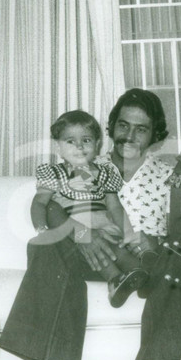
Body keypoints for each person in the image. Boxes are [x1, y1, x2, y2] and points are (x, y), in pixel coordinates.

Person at [0, 89, 181, 360]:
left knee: (177, 259)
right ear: (111, 128)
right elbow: (51, 208)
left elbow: (176, 229)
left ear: (155, 135)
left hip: (139, 258)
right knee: (45, 247)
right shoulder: (84, 160)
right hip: (80, 251)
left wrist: (148, 244)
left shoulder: (168, 175)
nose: (129, 135)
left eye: (141, 129)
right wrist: (84, 235)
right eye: (123, 125)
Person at [33, 110, 149, 308]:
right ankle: (114, 281)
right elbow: (40, 203)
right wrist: (42, 229)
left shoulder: (104, 173)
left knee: (122, 254)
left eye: (86, 140)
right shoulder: (55, 173)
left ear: (96, 145)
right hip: (77, 235)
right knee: (104, 255)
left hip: (107, 230)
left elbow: (114, 205)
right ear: (58, 147)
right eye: (70, 141)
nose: (79, 146)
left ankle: (146, 281)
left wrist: (128, 233)